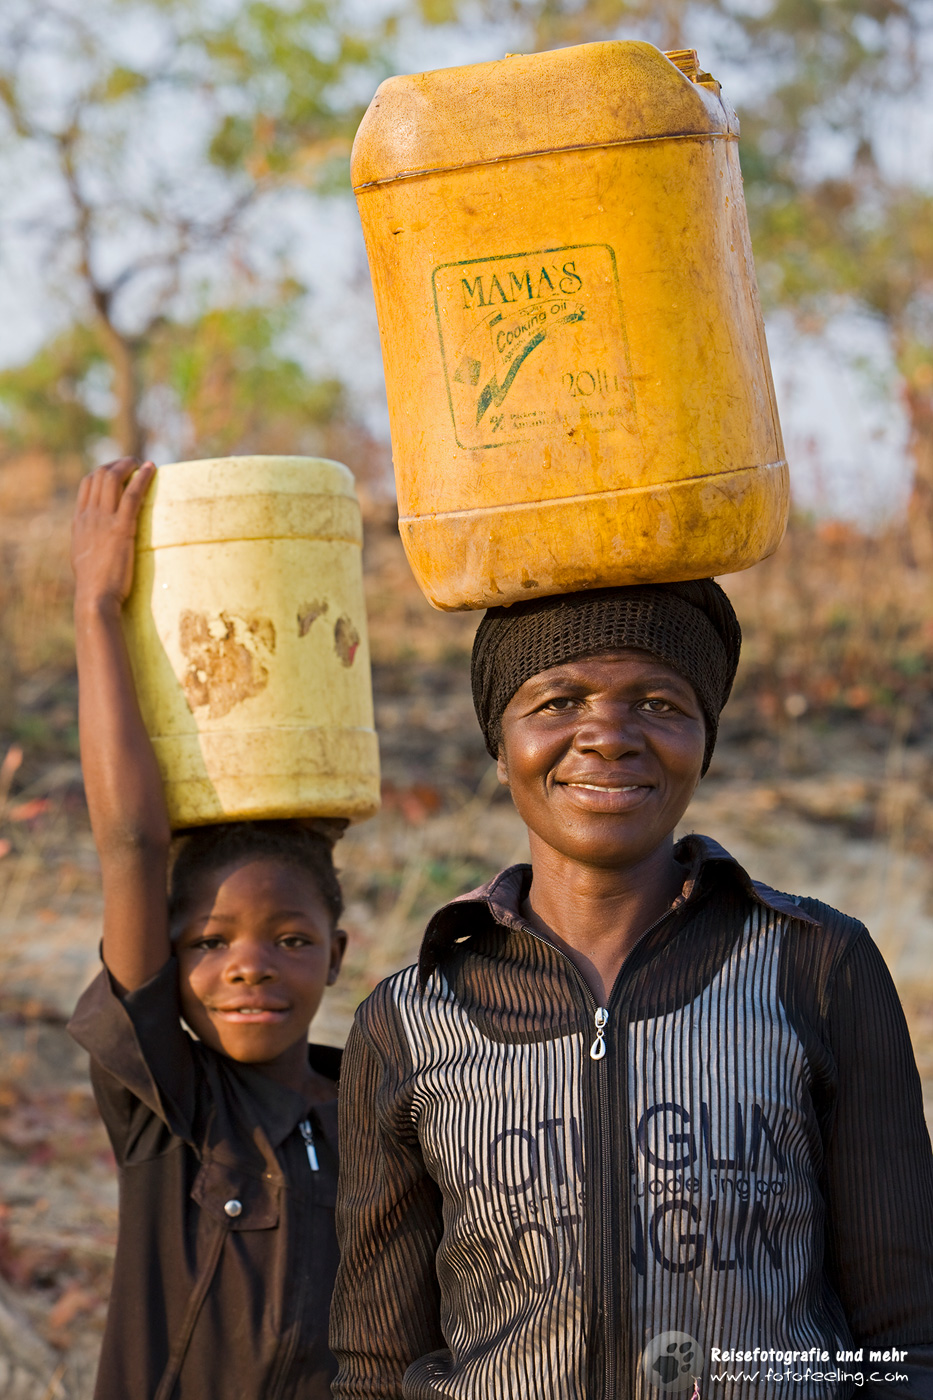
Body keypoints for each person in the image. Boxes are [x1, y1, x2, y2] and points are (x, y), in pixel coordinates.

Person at [330, 581, 933, 1400]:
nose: (608, 736)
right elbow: (373, 1368)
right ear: (499, 745)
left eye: (657, 701)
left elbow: (904, 1337)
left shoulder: (815, 967)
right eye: (556, 701)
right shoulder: (406, 1023)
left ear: (703, 742)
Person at [67, 457, 347, 1400]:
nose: (250, 968)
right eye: (210, 942)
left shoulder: (380, 1112)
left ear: (338, 954)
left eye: (291, 940)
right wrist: (96, 612)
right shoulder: (171, 1108)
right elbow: (135, 843)